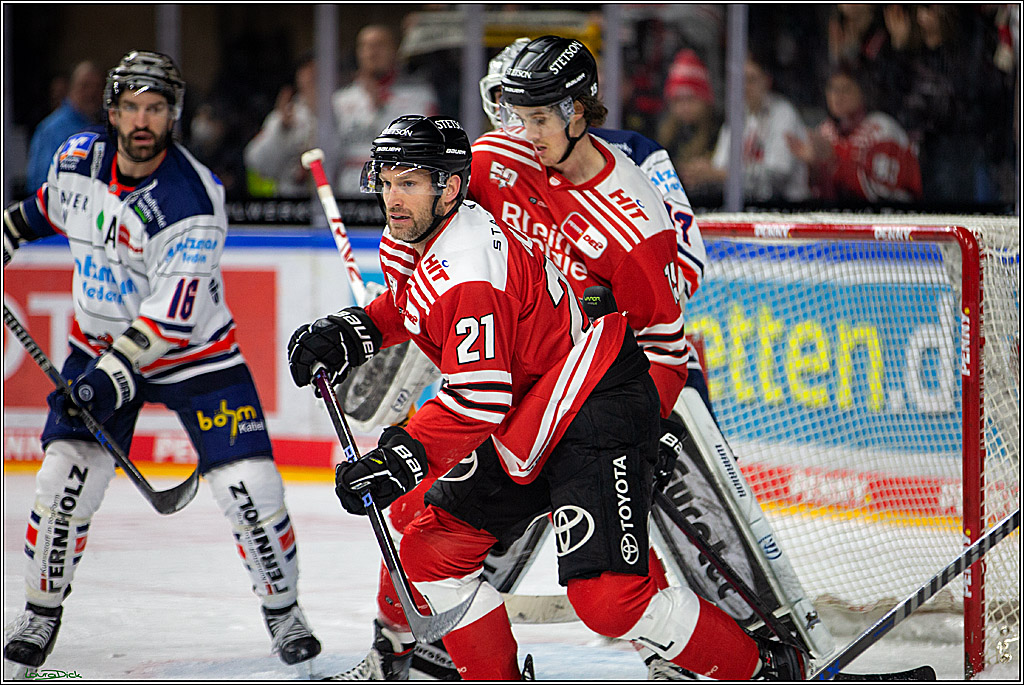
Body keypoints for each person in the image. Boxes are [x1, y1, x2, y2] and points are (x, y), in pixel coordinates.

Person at [287, 113, 804, 681]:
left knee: (610, 601)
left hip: (593, 405)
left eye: (409, 182)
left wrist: (402, 454)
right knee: (430, 553)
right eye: (386, 182)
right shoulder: (417, 234)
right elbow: (414, 301)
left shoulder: (468, 269)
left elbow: (479, 396)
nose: (393, 198)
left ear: (451, 187)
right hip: (532, 417)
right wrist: (356, 329)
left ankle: (766, 670)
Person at [2, 50, 321, 673]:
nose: (143, 120)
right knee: (64, 478)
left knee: (250, 486)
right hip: (96, 345)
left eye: (156, 108)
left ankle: (285, 613)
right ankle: (41, 613)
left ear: (172, 115)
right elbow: (40, 211)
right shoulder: (77, 161)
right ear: (112, 111)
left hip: (196, 356)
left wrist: (107, 379)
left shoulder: (193, 199)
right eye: (132, 107)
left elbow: (170, 321)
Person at [682, 53, 810, 204]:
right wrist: (701, 173)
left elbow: (776, 178)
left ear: (766, 81)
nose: (745, 87)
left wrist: (720, 175)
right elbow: (719, 168)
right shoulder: (737, 117)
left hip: (788, 210)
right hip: (746, 207)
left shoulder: (783, 114)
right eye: (740, 80)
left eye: (751, 79)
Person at [786, 64, 921, 204]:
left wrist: (833, 160)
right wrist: (813, 167)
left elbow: (881, 196)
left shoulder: (882, 129)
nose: (837, 96)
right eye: (832, 89)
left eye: (845, 89)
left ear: (863, 92)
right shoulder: (825, 131)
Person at [330, 24, 438, 192]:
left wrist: (382, 108)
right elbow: (328, 155)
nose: (372, 52)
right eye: (365, 46)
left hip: (401, 193)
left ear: (395, 51)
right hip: (349, 197)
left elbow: (429, 151)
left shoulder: (420, 96)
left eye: (379, 45)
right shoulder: (340, 100)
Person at [655, 49, 724, 208]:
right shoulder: (666, 134)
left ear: (705, 100)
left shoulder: (720, 130)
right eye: (678, 100)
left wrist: (712, 173)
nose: (685, 107)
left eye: (691, 99)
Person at [244, 53, 317, 198]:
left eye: (317, 73)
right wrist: (281, 129)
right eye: (308, 72)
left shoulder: (342, 109)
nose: (312, 78)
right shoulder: (286, 116)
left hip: (336, 200)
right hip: (290, 204)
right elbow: (255, 162)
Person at [25, 60, 105, 192]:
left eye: (97, 87)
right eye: (85, 86)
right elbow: (40, 184)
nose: (92, 93)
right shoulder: (51, 129)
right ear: (71, 88)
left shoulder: (105, 126)